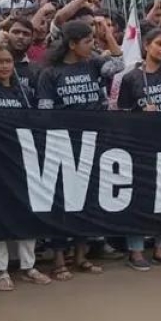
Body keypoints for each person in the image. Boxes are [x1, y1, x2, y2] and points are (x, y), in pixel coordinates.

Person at [0, 32, 50, 290]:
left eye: (8, 62)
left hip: (21, 159)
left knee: (25, 210)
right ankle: (0, 269)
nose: (4, 66)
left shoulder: (22, 92)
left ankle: (28, 265)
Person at [35, 20, 112, 278]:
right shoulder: (50, 74)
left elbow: (119, 66)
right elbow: (44, 112)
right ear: (72, 44)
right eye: (88, 42)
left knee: (87, 200)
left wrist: (106, 40)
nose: (93, 46)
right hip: (64, 145)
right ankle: (59, 260)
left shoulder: (94, 65)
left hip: (93, 142)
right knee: (63, 202)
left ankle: (81, 255)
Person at [112, 27, 161, 271]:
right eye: (159, 44)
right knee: (140, 197)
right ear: (146, 46)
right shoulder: (130, 78)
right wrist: (139, 114)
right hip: (139, 146)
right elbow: (120, 114)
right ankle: (136, 250)